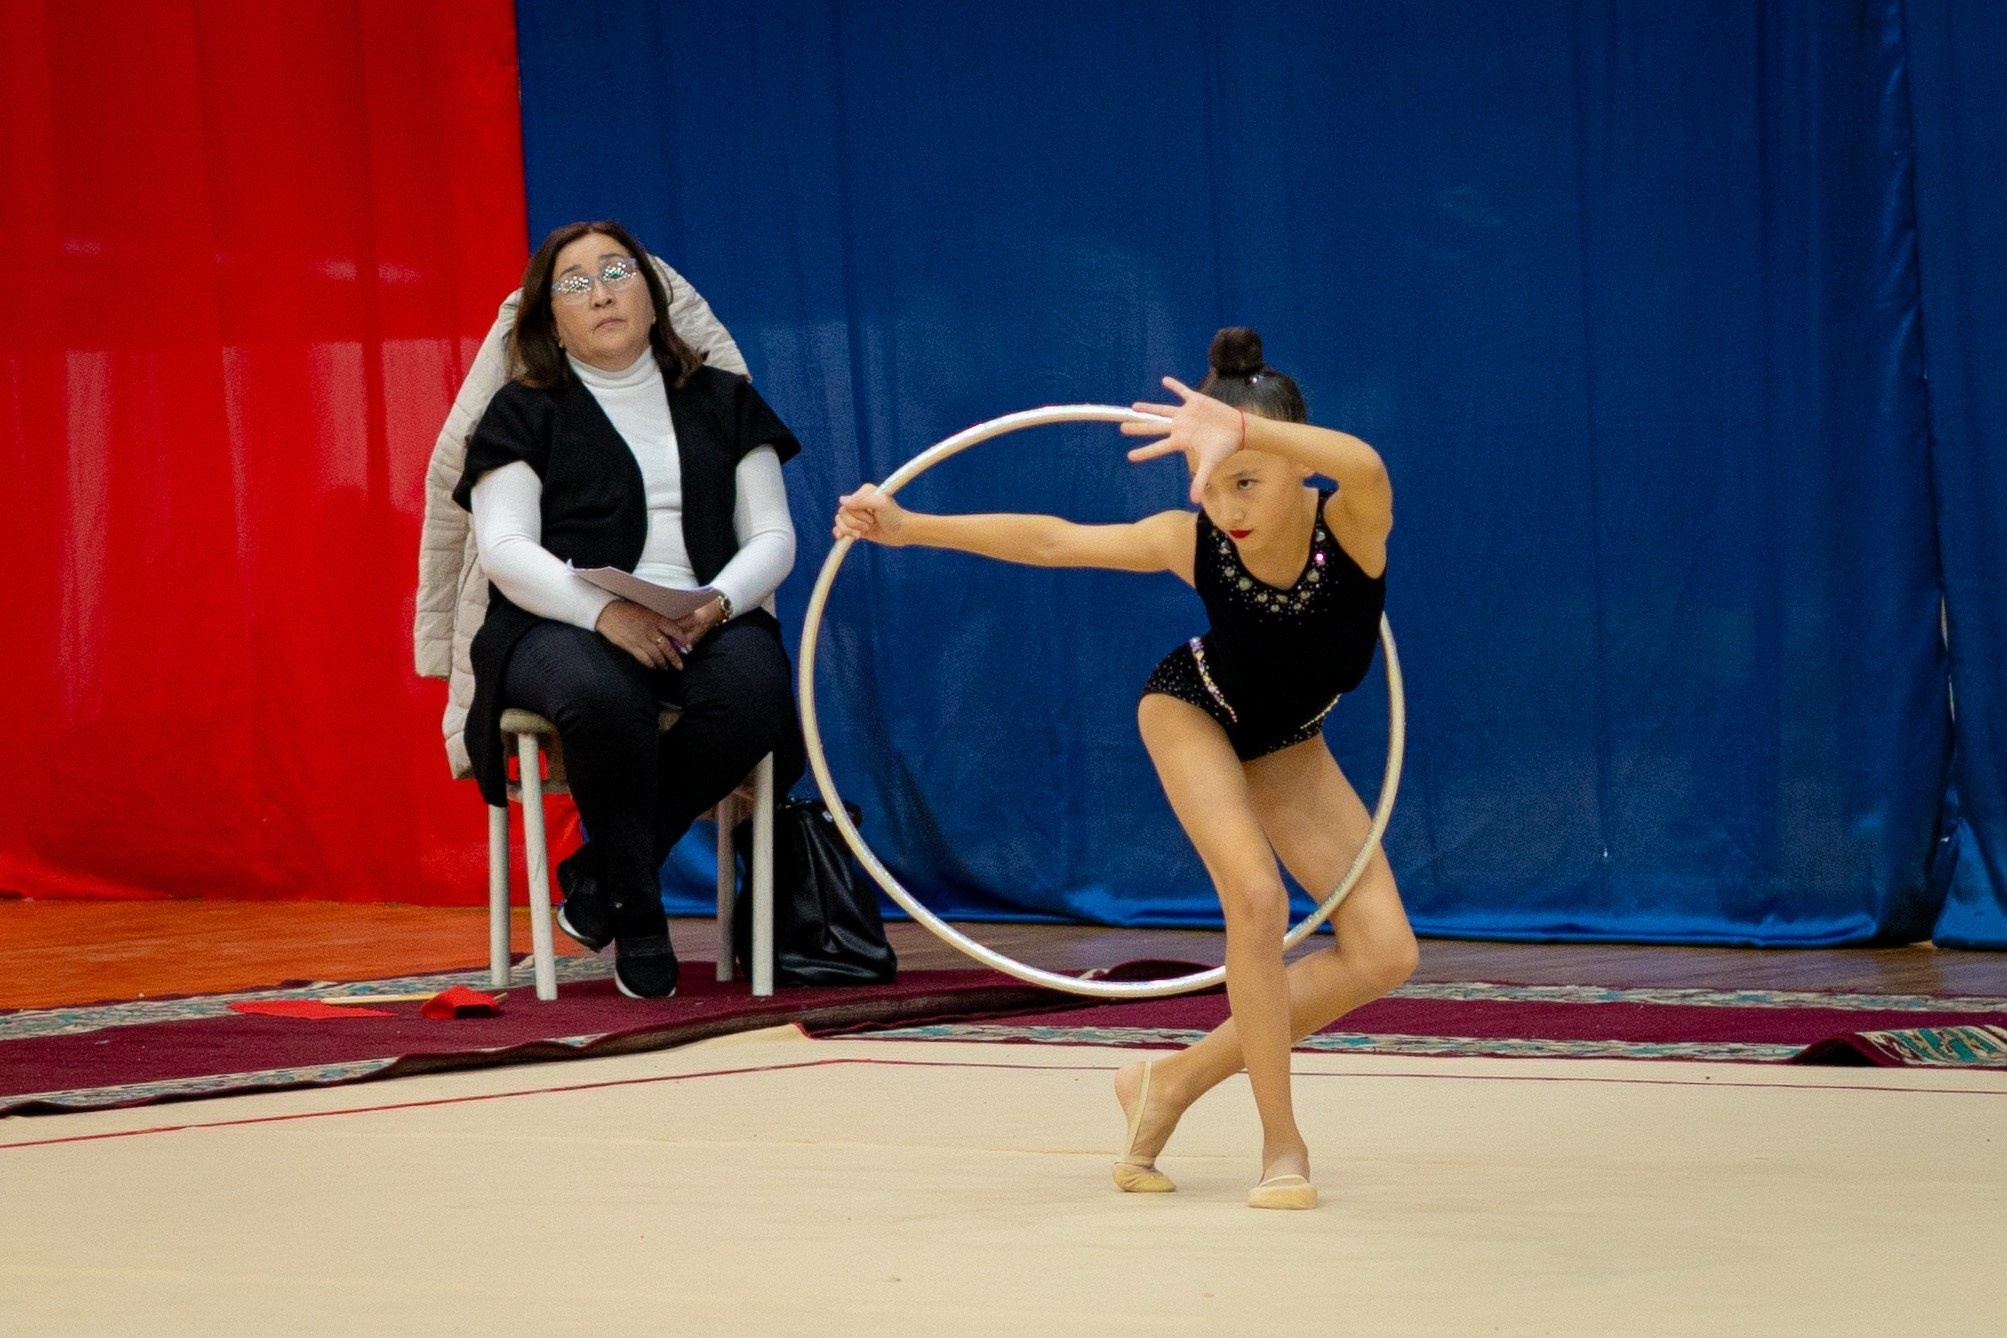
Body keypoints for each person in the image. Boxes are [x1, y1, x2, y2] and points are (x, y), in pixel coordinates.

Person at [833, 329, 1418, 1208]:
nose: (1225, 505)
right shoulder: (1194, 543)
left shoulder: (1352, 526)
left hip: (1288, 740)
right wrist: (911, 527)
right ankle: (1281, 1145)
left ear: (1299, 463)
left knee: (1384, 953)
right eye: (1207, 481)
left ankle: (1167, 1083)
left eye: (1246, 478)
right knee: (1255, 898)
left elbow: (1364, 461)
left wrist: (1242, 429)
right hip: (1194, 707)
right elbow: (1053, 542)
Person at [453, 220, 808, 998]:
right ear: (550, 320)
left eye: (616, 272)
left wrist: (718, 603)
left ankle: (604, 879)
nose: (600, 293)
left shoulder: (725, 399)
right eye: (574, 282)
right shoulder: (522, 411)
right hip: (557, 620)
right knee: (601, 694)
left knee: (754, 693)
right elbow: (504, 548)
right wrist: (605, 614)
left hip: (703, 612)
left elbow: (773, 535)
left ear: (652, 298)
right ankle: (640, 920)